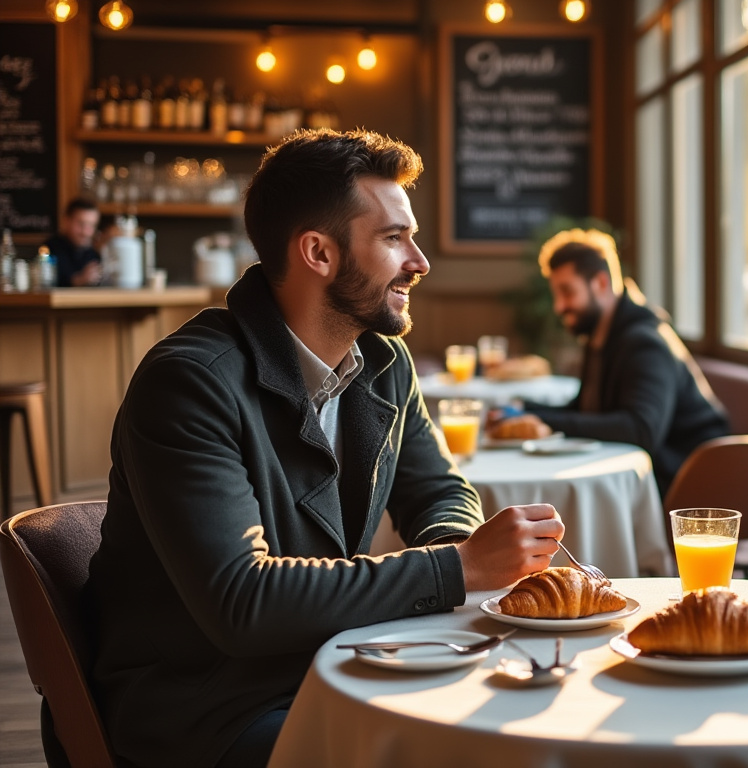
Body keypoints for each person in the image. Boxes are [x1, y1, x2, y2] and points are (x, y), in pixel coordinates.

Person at [87, 129, 564, 768]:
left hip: (333, 665)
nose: (419, 262)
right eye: (394, 238)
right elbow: (242, 601)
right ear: (318, 252)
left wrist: (459, 544)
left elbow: (439, 490)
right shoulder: (189, 383)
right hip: (210, 712)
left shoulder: (383, 363)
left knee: (524, 726)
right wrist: (458, 569)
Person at [487, 228, 731, 495]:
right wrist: (523, 409)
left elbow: (641, 429)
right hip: (651, 477)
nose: (559, 306)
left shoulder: (645, 342)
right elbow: (585, 409)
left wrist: (543, 419)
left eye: (567, 292)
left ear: (601, 283)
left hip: (694, 486)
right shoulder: (601, 335)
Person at [42, 197, 103, 286]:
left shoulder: (93, 254)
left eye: (91, 225)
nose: (85, 232)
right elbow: (47, 286)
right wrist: (79, 280)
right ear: (66, 221)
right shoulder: (49, 249)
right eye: (81, 224)